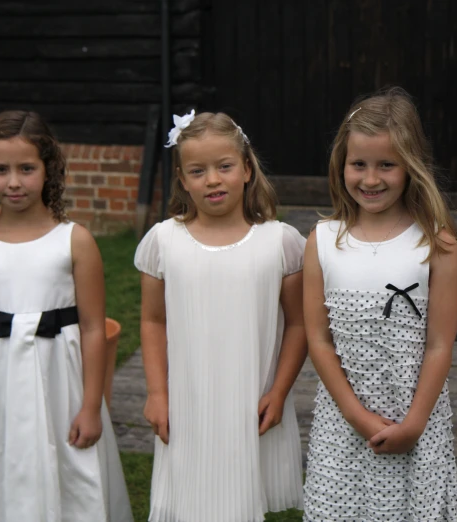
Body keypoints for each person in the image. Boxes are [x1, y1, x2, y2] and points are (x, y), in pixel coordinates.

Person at [0, 110, 133, 522]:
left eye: (26, 168)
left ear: (48, 170)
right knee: (7, 472)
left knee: (73, 471)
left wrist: (91, 406)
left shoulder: (75, 241)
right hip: (0, 387)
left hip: (62, 382)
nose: (13, 182)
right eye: (0, 169)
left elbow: (91, 328)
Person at [135, 110, 306, 522]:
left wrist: (279, 391)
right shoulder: (164, 241)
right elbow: (153, 321)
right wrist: (158, 393)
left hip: (251, 399)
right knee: (193, 497)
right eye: (198, 171)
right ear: (182, 180)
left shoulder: (279, 243)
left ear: (247, 169)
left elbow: (299, 325)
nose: (212, 180)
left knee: (240, 498)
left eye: (224, 166)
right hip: (188, 399)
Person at [302, 87, 457, 521]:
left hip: (416, 418)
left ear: (410, 167)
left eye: (386, 165)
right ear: (342, 164)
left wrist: (412, 424)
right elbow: (317, 338)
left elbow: (439, 345)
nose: (370, 179)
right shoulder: (322, 242)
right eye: (359, 164)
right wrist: (356, 416)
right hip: (344, 421)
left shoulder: (436, 242)